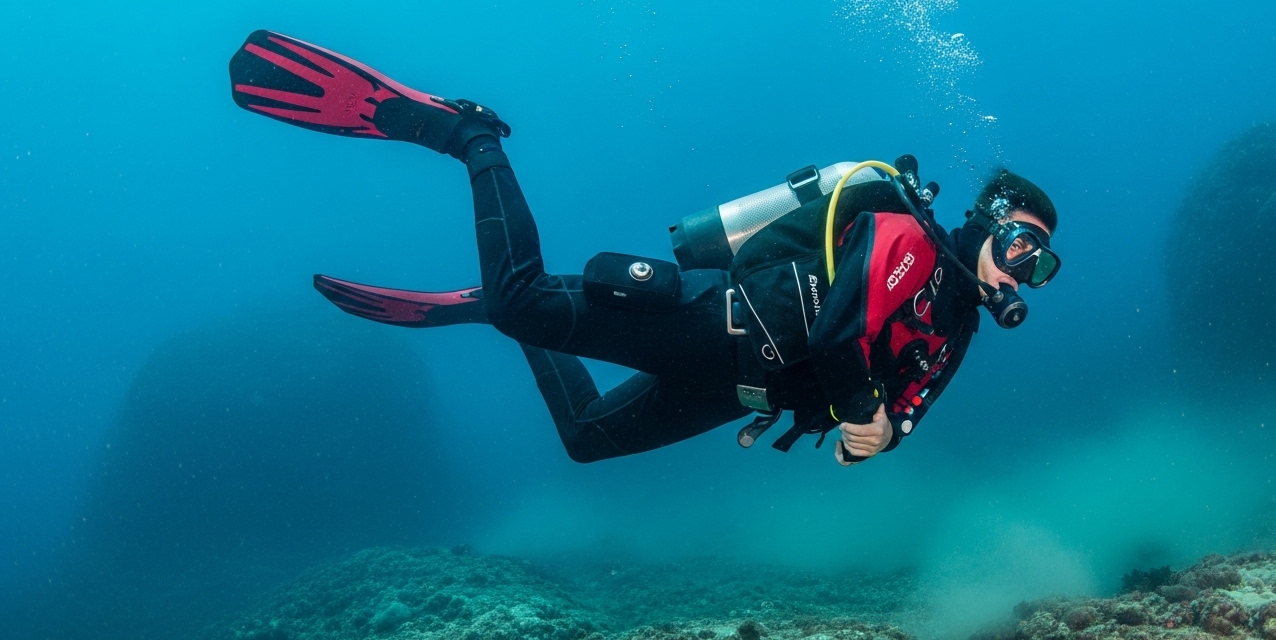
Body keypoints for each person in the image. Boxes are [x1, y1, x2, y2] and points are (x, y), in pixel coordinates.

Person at [228, 30, 1061, 466]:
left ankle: (500, 316)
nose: (1026, 268)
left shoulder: (956, 328)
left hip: (738, 390)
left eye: (1041, 264)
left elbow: (900, 414)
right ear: (988, 221)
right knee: (528, 299)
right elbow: (843, 335)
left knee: (587, 439)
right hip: (722, 325)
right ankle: (470, 135)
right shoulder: (910, 236)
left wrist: (871, 434)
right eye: (1024, 244)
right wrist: (863, 411)